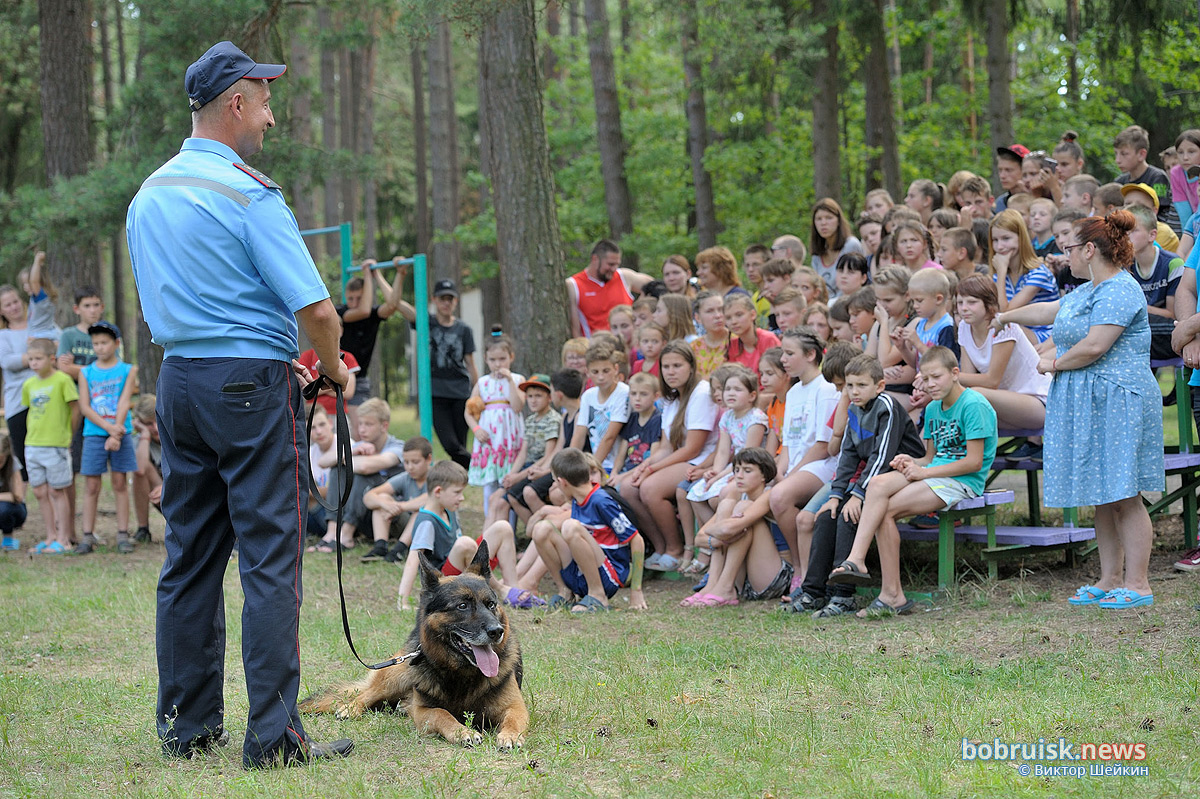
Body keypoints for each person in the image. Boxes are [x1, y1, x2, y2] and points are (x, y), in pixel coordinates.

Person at [126, 41, 351, 766]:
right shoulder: (247, 191)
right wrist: (332, 367)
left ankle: (185, 728)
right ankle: (275, 739)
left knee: (189, 558)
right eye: (264, 99)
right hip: (249, 386)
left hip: (179, 381)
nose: (272, 116)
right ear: (234, 104)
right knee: (270, 561)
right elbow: (315, 307)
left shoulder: (148, 193)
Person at [1000, 211, 1163, 609]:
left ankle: (1138, 584)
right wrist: (1003, 316)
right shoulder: (1089, 290)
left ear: (1090, 250)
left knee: (1125, 494)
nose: (1064, 254)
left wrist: (1052, 363)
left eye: (1070, 247)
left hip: (1119, 400)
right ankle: (1109, 580)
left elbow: (1094, 346)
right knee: (1104, 496)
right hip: (1090, 402)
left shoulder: (1121, 289)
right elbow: (1050, 311)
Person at [828, 347, 997, 617]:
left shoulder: (973, 405)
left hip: (962, 481)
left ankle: (889, 592)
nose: (930, 384)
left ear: (955, 373)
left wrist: (925, 473)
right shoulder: (931, 409)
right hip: (936, 474)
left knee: (884, 508)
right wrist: (910, 462)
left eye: (936, 377)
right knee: (878, 485)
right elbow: (930, 457)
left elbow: (974, 463)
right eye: (925, 379)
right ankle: (862, 566)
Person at [792, 354, 924, 617]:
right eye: (850, 385)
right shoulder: (854, 409)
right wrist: (837, 493)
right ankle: (814, 591)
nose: (854, 391)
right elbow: (849, 455)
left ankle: (844, 596)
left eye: (861, 385)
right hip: (872, 477)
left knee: (849, 515)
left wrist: (858, 495)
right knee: (827, 515)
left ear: (880, 386)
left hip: (901, 473)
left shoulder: (887, 406)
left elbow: (883, 456)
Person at [619, 342, 719, 572]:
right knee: (627, 487)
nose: (671, 371)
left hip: (701, 459)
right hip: (679, 457)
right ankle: (660, 546)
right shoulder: (671, 398)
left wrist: (653, 470)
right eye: (666, 366)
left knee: (650, 488)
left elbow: (692, 448)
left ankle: (675, 549)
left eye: (677, 365)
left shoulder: (701, 393)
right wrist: (645, 465)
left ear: (691, 367)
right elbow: (665, 446)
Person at [395, 460, 526, 610]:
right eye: (457, 492)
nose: (462, 497)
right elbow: (413, 559)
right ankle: (500, 589)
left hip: (463, 572)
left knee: (502, 527)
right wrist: (402, 601)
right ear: (438, 492)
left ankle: (512, 590)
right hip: (445, 584)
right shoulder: (427, 522)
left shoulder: (448, 508)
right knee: (465, 544)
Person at [532, 447, 647, 613]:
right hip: (581, 572)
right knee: (541, 529)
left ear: (562, 482)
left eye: (555, 482)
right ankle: (565, 592)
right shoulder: (577, 499)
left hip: (608, 576)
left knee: (571, 526)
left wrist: (636, 590)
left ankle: (598, 595)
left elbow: (637, 540)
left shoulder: (601, 501)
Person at [684, 447, 791, 607]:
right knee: (727, 504)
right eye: (737, 470)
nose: (739, 476)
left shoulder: (769, 495)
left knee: (742, 510)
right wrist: (720, 539)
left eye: (747, 471)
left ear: (764, 475)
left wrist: (717, 534)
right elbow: (699, 538)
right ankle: (712, 585)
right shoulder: (737, 497)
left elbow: (727, 530)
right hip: (746, 580)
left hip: (775, 578)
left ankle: (725, 587)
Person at [394, 278, 477, 469]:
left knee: (460, 445)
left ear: (455, 301)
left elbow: (470, 363)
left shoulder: (464, 330)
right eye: (442, 299)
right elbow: (397, 303)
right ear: (434, 300)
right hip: (435, 393)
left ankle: (458, 485)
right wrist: (400, 274)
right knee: (450, 444)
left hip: (460, 393)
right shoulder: (426, 322)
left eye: (450, 299)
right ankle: (480, 467)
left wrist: (479, 392)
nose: (446, 303)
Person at [955, 275, 1051, 439]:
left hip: (1039, 403)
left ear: (989, 304)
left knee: (975, 396)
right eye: (960, 302)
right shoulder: (964, 327)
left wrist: (949, 375)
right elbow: (967, 377)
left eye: (971, 302)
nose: (964, 308)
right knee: (951, 404)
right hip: (1004, 404)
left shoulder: (1004, 326)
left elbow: (992, 381)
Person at [75, 321, 138, 555]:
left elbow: (124, 401)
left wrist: (117, 429)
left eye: (104, 343)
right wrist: (109, 429)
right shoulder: (86, 372)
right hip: (94, 434)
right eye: (96, 344)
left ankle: (123, 534)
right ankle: (87, 536)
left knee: (120, 482)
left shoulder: (128, 370)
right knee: (91, 484)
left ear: (116, 344)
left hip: (122, 431)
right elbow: (85, 406)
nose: (99, 348)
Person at [311, 397, 405, 554]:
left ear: (384, 426)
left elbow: (366, 467)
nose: (362, 429)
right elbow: (323, 462)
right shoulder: (360, 445)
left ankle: (346, 535)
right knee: (337, 468)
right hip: (363, 514)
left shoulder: (397, 447)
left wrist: (347, 458)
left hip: (388, 514)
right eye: (360, 423)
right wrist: (351, 452)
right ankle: (332, 531)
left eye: (368, 424)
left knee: (362, 473)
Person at [21, 337, 77, 555]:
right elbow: (30, 412)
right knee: (39, 491)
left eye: (38, 358)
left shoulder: (63, 380)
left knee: (56, 490)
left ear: (51, 359)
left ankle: (64, 539)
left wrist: (68, 436)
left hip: (56, 445)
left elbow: (74, 408)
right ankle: (50, 536)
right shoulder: (28, 384)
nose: (34, 363)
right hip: (33, 444)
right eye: (31, 359)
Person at [56, 284, 105, 529]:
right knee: (71, 469)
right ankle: (70, 529)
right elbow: (62, 368)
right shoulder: (68, 336)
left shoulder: (107, 333)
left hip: (101, 410)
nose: (92, 310)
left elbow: (113, 371)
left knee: (94, 473)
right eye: (87, 306)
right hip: (73, 408)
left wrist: (79, 369)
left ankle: (90, 530)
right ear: (77, 309)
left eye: (96, 305)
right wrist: (95, 370)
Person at [338, 259, 405, 429]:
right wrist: (367, 274)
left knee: (360, 428)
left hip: (359, 379)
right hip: (337, 376)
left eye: (359, 298)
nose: (354, 302)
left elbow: (393, 304)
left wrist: (392, 274)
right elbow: (364, 310)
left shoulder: (373, 315)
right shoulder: (342, 312)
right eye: (350, 298)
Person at [489, 374, 560, 528]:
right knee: (497, 499)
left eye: (538, 396)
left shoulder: (553, 419)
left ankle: (535, 533)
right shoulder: (530, 420)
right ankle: (494, 544)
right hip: (525, 467)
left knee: (510, 498)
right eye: (529, 396)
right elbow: (523, 452)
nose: (533, 400)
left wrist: (519, 477)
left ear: (549, 397)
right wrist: (512, 475)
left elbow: (548, 455)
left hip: (540, 469)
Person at [466, 331, 526, 512]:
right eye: (493, 360)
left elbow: (517, 406)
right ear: (485, 359)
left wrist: (509, 380)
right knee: (490, 485)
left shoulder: (517, 380)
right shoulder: (482, 383)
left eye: (502, 359)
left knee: (508, 482)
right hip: (489, 439)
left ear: (511, 357)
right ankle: (489, 523)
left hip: (509, 437)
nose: (498, 364)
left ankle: (509, 527)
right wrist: (476, 429)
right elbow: (468, 412)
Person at [989, 210, 1059, 341]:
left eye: (1006, 238)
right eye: (995, 240)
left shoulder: (1038, 273)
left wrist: (1002, 271)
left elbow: (1005, 313)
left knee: (1006, 328)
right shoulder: (999, 275)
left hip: (1045, 335)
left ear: (1021, 238)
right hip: (1017, 333)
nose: (999, 246)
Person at [361, 436, 432, 563]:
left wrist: (400, 507)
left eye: (415, 462)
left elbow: (431, 499)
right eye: (406, 462)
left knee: (422, 511)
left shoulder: (437, 477)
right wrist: (386, 505)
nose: (410, 467)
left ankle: (400, 549)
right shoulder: (405, 477)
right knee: (381, 498)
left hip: (430, 531)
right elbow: (368, 497)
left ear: (429, 459)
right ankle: (380, 546)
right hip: (406, 527)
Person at [1126, 205, 1183, 360]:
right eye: (1124, 231)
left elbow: (1173, 314)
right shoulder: (1124, 266)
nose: (1126, 236)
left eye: (1134, 230)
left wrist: (1138, 306)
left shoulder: (1173, 263)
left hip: (1168, 332)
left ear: (1152, 235)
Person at [567, 239, 653, 338]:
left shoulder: (624, 276)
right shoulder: (574, 285)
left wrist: (641, 306)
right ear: (595, 259)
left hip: (628, 346)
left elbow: (656, 286)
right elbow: (575, 329)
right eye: (610, 264)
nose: (614, 269)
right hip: (597, 348)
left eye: (617, 264)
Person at [571, 342, 628, 474]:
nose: (601, 377)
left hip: (615, 466)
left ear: (616, 369)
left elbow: (610, 437)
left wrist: (591, 470)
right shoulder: (588, 396)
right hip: (595, 462)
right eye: (595, 372)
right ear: (587, 372)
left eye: (606, 371)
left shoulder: (623, 393)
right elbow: (579, 435)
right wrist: (569, 466)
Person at [0, 285, 37, 483]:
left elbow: (56, 345)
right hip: (17, 403)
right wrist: (36, 355)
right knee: (23, 459)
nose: (13, 307)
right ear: (1, 310)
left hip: (44, 400)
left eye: (15, 302)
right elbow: (7, 361)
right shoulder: (3, 335)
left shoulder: (38, 325)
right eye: (7, 305)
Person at [1113, 124, 1178, 234]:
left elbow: (1162, 216)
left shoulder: (1157, 177)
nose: (1117, 160)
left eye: (1124, 154)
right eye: (1116, 154)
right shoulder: (1119, 182)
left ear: (1141, 154)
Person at [810, 198, 865, 296]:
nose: (823, 223)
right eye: (819, 219)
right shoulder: (817, 254)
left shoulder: (851, 245)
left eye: (829, 218)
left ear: (839, 221)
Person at [131, 394, 162, 543]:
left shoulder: (179, 433)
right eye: (149, 424)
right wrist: (144, 434)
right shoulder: (141, 439)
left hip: (183, 493)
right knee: (139, 472)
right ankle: (143, 529)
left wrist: (168, 487)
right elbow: (140, 469)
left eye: (157, 421)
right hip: (161, 494)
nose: (155, 428)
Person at [723, 293, 780, 373]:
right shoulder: (733, 345)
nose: (733, 322)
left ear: (753, 315)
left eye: (739, 315)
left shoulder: (768, 339)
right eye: (728, 318)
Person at [689, 291, 729, 380]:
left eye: (721, 309)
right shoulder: (693, 347)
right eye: (710, 311)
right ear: (697, 318)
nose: (718, 315)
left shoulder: (737, 341)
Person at [0, 432, 26, 553]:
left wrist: (10, 496)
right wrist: (7, 496)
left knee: (4, 508)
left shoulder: (13, 463)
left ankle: (8, 538)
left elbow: (18, 496)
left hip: (15, 510)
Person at [994, 144, 1030, 214]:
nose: (1002, 176)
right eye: (1000, 170)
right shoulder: (1000, 204)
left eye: (1008, 170)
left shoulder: (1041, 201)